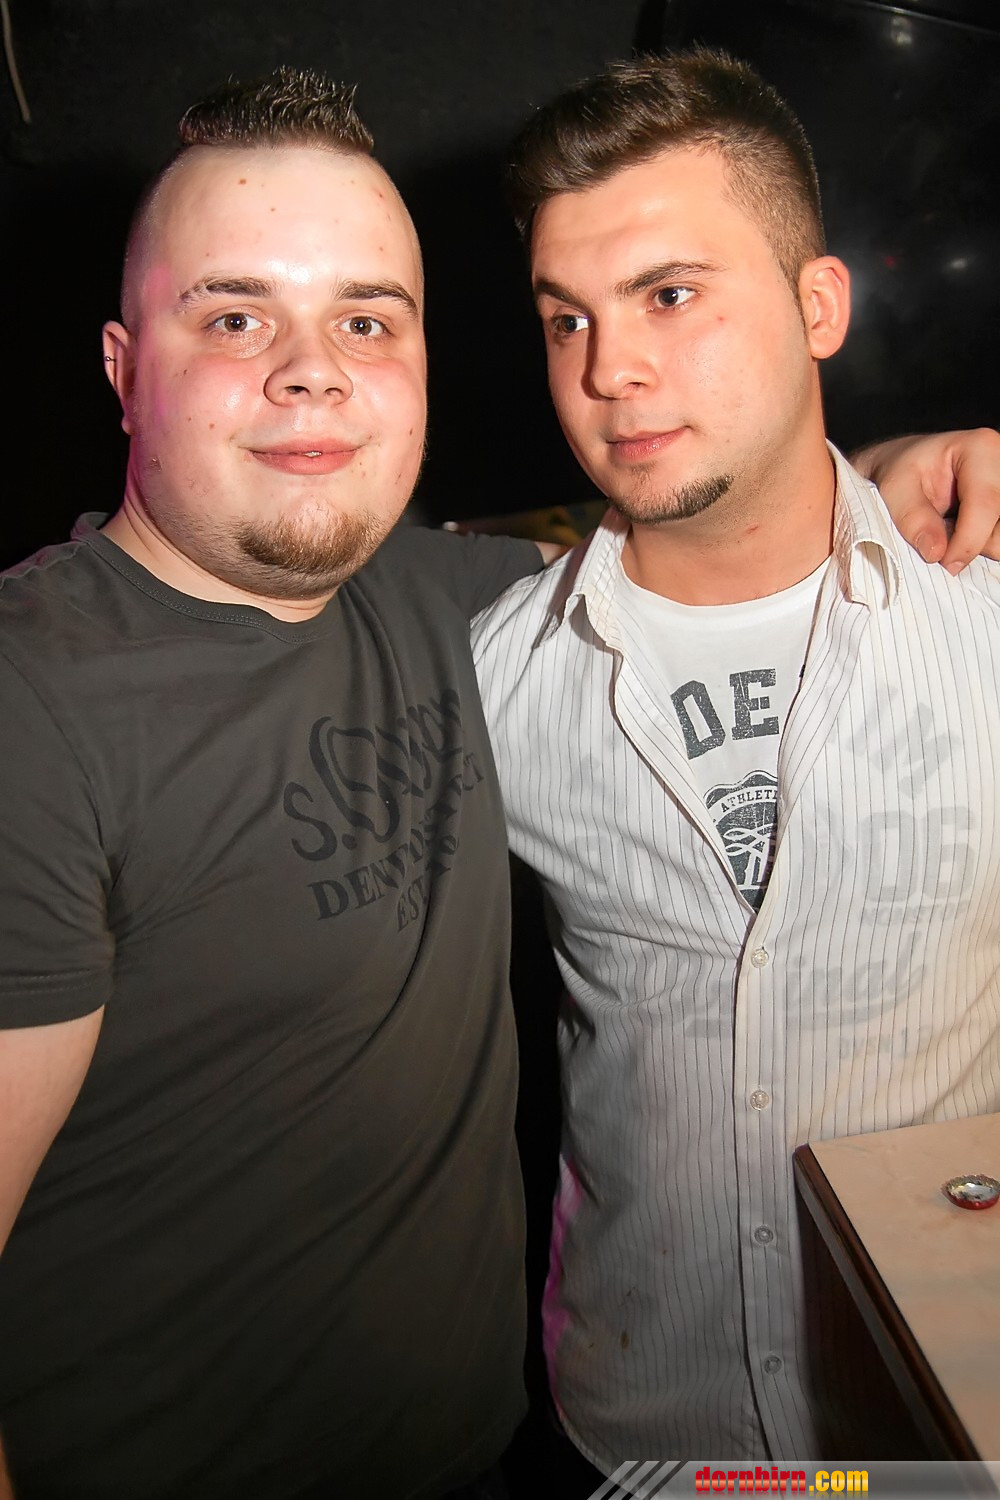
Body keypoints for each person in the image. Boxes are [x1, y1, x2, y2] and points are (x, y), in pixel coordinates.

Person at [0, 63, 995, 1500]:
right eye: (233, 316)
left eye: (365, 319)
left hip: (902, 1438)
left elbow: (716, 525)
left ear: (818, 306)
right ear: (119, 365)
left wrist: (900, 464)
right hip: (607, 1443)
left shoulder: (453, 604)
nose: (611, 367)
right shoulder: (480, 660)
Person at [473, 48, 1000, 1479]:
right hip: (644, 1435)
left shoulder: (983, 616)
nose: (609, 368)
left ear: (819, 305)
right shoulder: (505, 679)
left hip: (939, 1430)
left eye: (669, 294)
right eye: (566, 316)